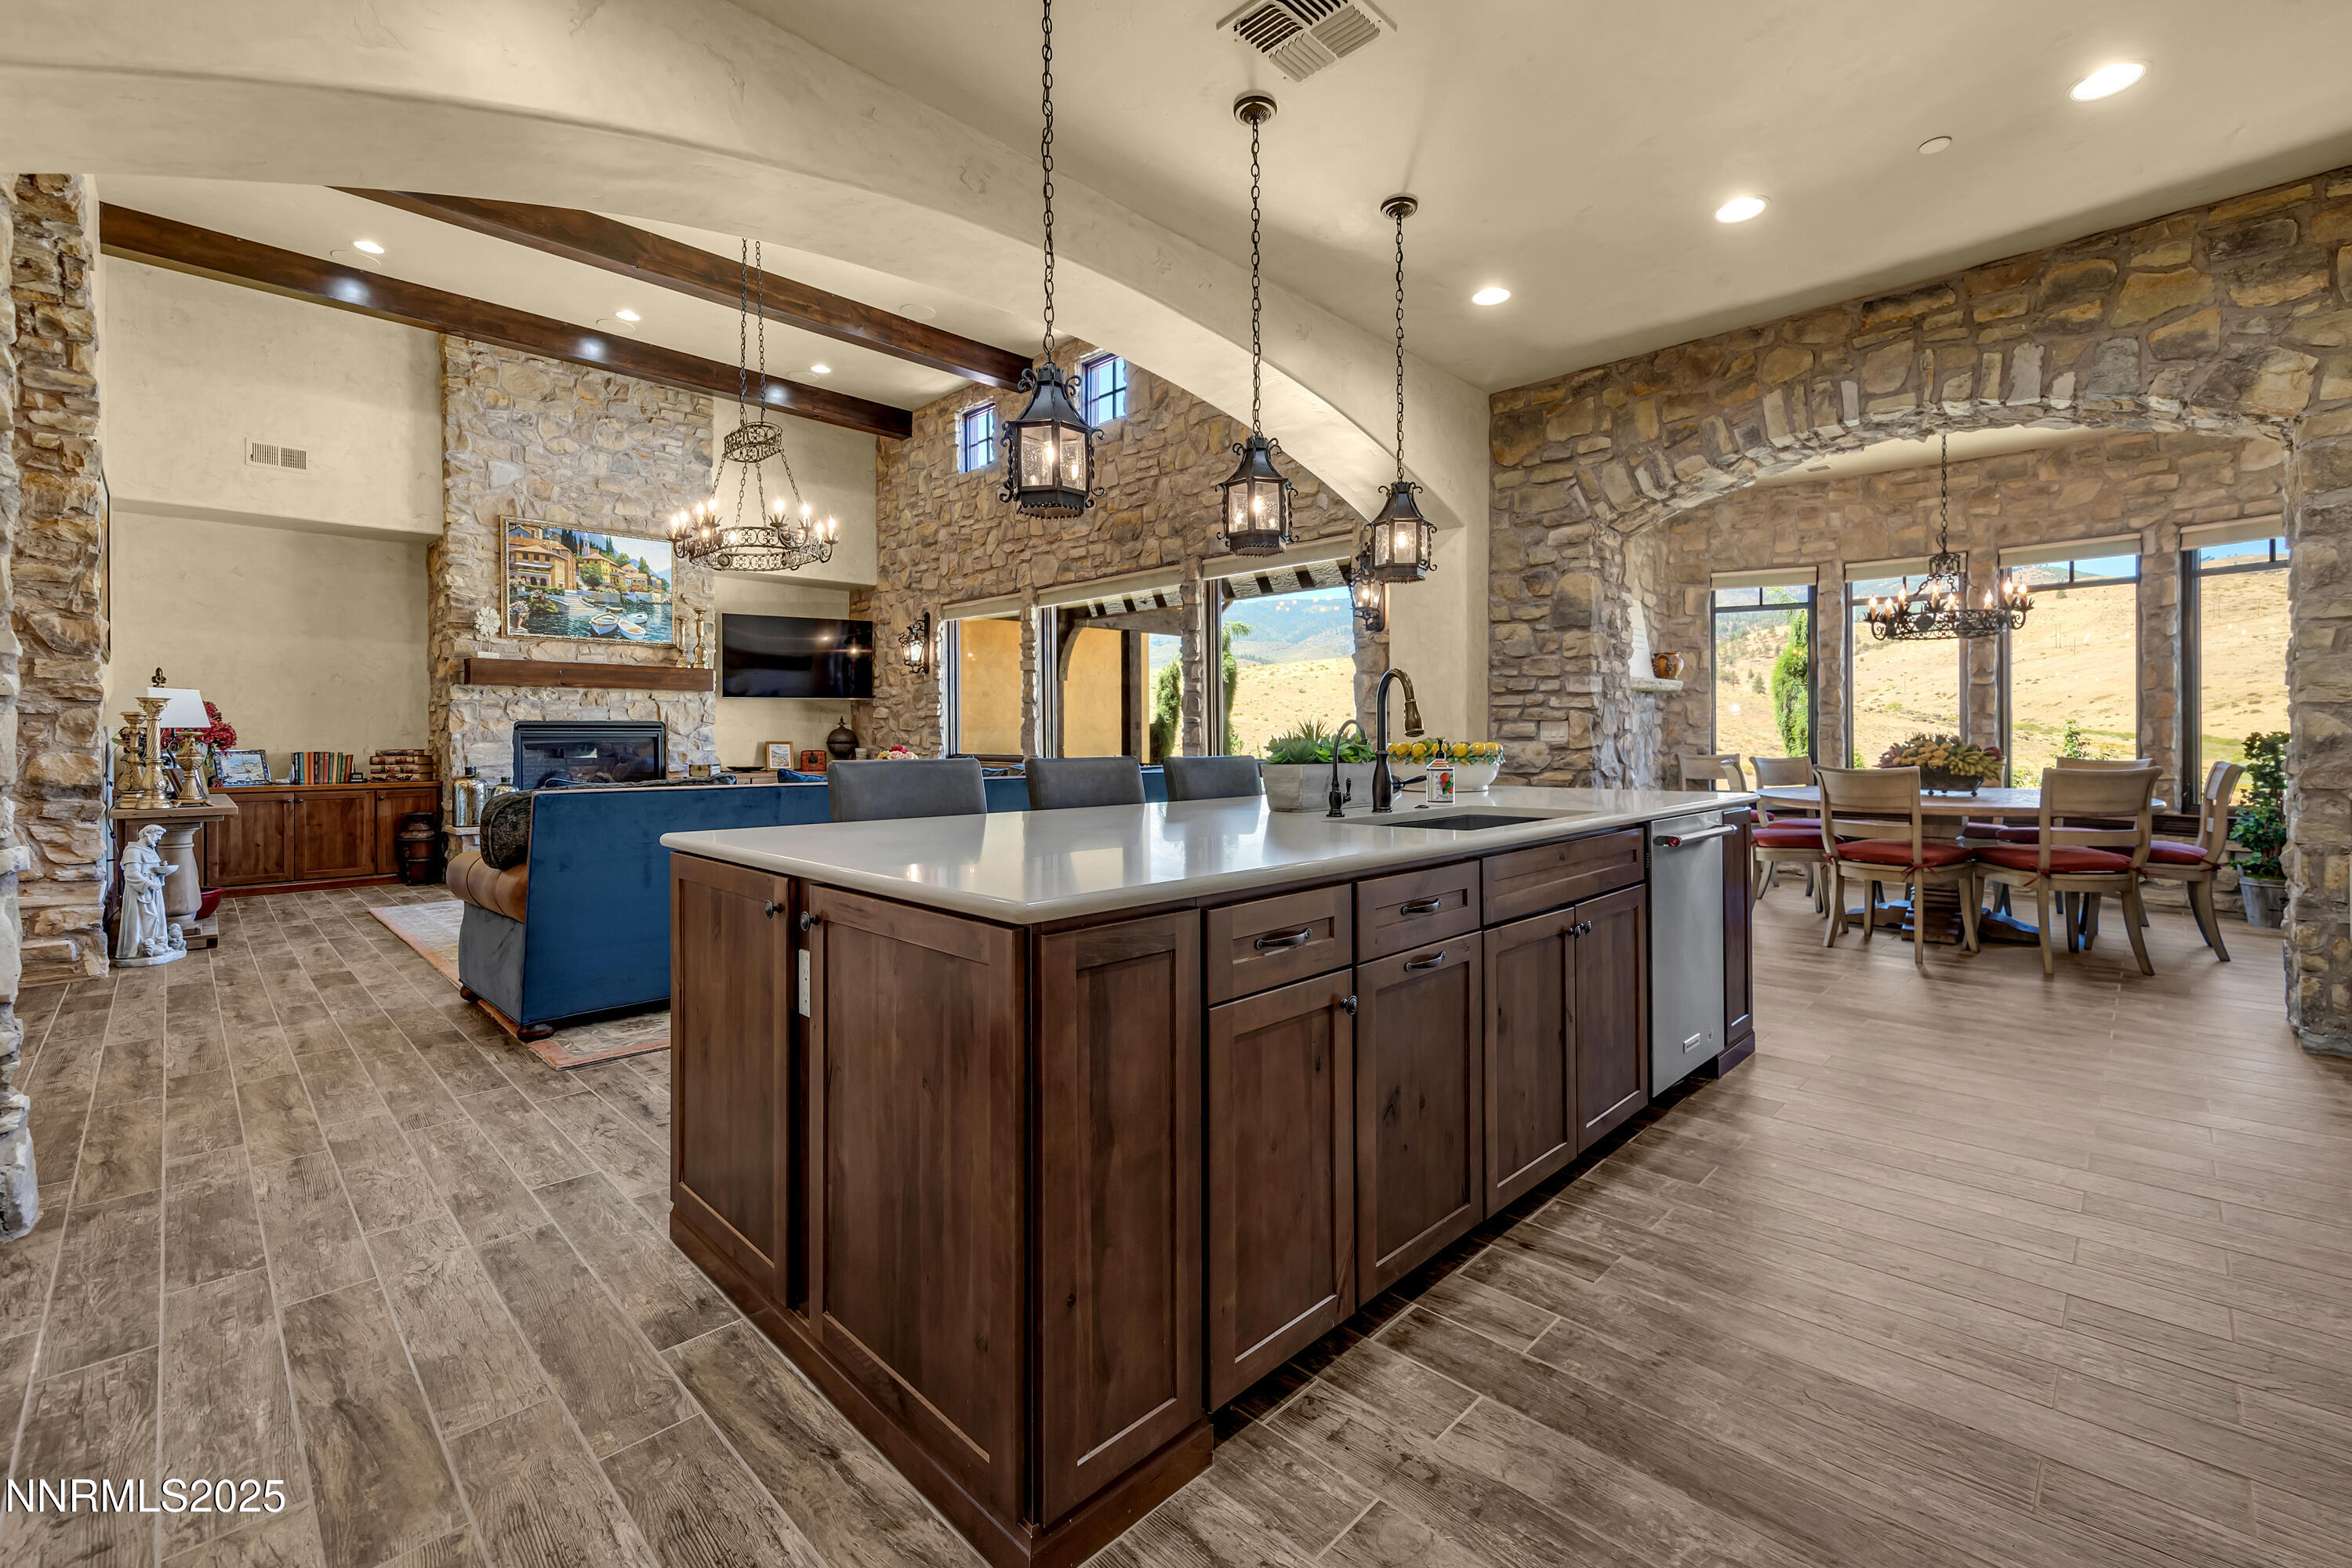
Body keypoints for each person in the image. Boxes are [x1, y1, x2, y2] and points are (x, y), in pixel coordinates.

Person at [114, 822, 187, 966]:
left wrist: (160, 869)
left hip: (153, 891)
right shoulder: (133, 851)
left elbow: (151, 869)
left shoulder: (150, 850)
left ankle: (159, 944)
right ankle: (141, 948)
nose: (159, 839)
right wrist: (147, 883)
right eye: (158, 835)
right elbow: (131, 874)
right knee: (147, 918)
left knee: (157, 917)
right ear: (147, 833)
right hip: (141, 893)